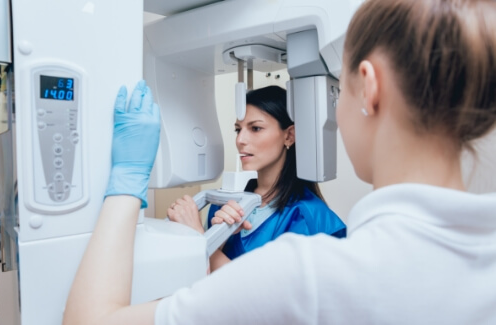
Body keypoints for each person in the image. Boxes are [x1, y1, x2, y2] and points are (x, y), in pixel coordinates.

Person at [63, 0, 496, 324]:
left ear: (369, 87)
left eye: (336, 89)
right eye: (239, 128)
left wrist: (126, 182)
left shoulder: (309, 273)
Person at [167, 86, 346, 272]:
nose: (240, 140)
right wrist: (217, 239)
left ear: (289, 135)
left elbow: (266, 297)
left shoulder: (308, 216)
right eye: (238, 130)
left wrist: (198, 238)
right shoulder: (224, 203)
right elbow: (199, 282)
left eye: (255, 128)